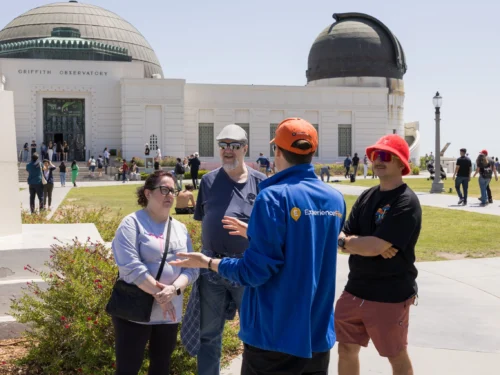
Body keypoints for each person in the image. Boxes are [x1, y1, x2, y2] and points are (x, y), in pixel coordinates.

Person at [172, 118, 345, 375]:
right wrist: (254, 230)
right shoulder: (334, 198)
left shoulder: (273, 196)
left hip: (274, 334)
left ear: (277, 150)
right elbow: (301, 244)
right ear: (312, 151)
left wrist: (208, 262)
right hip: (317, 333)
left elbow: (255, 271)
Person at [180, 124, 266, 375]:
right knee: (209, 335)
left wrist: (249, 229)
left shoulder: (261, 183)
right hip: (211, 269)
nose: (228, 151)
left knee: (253, 334)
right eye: (223, 145)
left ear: (245, 148)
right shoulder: (208, 181)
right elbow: (203, 218)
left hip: (246, 270)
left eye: (235, 145)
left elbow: (273, 230)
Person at [335, 134, 422, 375]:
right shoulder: (366, 196)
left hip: (390, 295)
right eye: (374, 155)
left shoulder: (406, 202)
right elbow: (345, 236)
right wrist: (353, 242)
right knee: (345, 349)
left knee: (395, 355)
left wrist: (362, 244)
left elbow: (372, 246)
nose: (378, 160)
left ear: (401, 162)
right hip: (354, 289)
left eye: (385, 156)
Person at [111, 171, 199, 375]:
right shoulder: (131, 224)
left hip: (169, 313)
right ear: (148, 193)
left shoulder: (180, 228)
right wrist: (161, 296)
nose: (170, 195)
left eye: (173, 190)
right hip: (134, 311)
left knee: (161, 367)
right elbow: (131, 267)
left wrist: (174, 290)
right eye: (164, 189)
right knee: (127, 368)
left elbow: (192, 268)